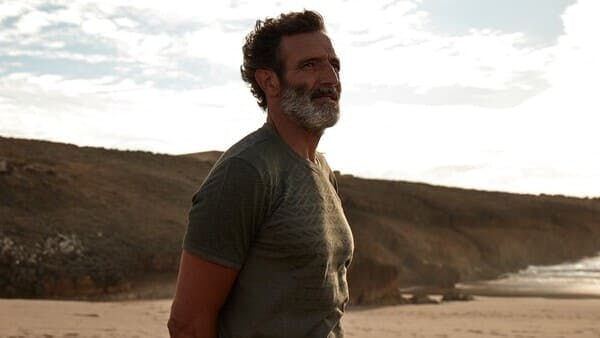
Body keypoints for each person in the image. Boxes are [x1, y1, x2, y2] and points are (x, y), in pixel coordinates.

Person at [168, 10, 354, 338]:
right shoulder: (246, 172)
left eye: (334, 65)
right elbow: (188, 323)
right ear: (269, 81)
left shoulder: (322, 170)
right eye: (310, 65)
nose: (330, 79)